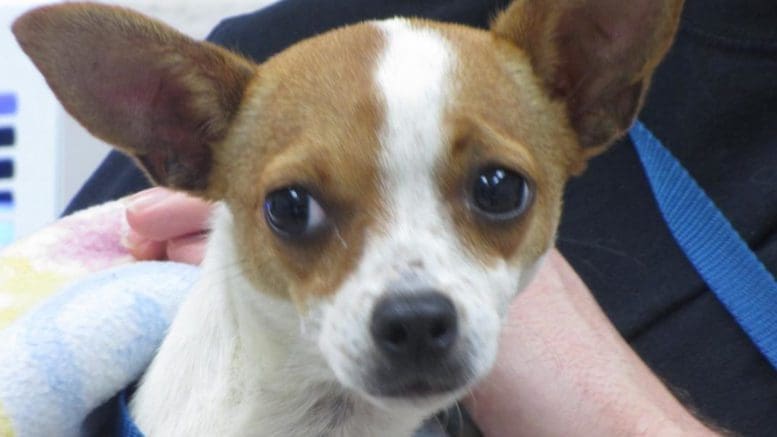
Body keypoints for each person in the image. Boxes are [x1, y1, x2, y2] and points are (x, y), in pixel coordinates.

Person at [66, 0, 777, 435]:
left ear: (587, 93)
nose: (408, 303)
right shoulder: (290, 46)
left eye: (494, 192)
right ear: (180, 140)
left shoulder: (536, 71)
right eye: (296, 210)